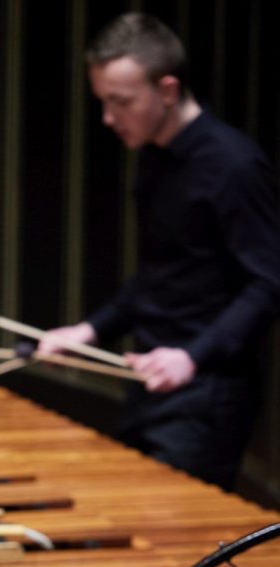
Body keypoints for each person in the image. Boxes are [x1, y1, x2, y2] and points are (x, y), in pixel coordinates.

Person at [37, 12, 280, 490]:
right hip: (149, 379)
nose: (109, 119)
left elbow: (269, 282)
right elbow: (160, 276)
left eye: (121, 102)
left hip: (208, 392)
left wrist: (192, 356)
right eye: (104, 102)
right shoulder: (154, 159)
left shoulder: (234, 166)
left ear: (167, 90)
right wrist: (89, 330)